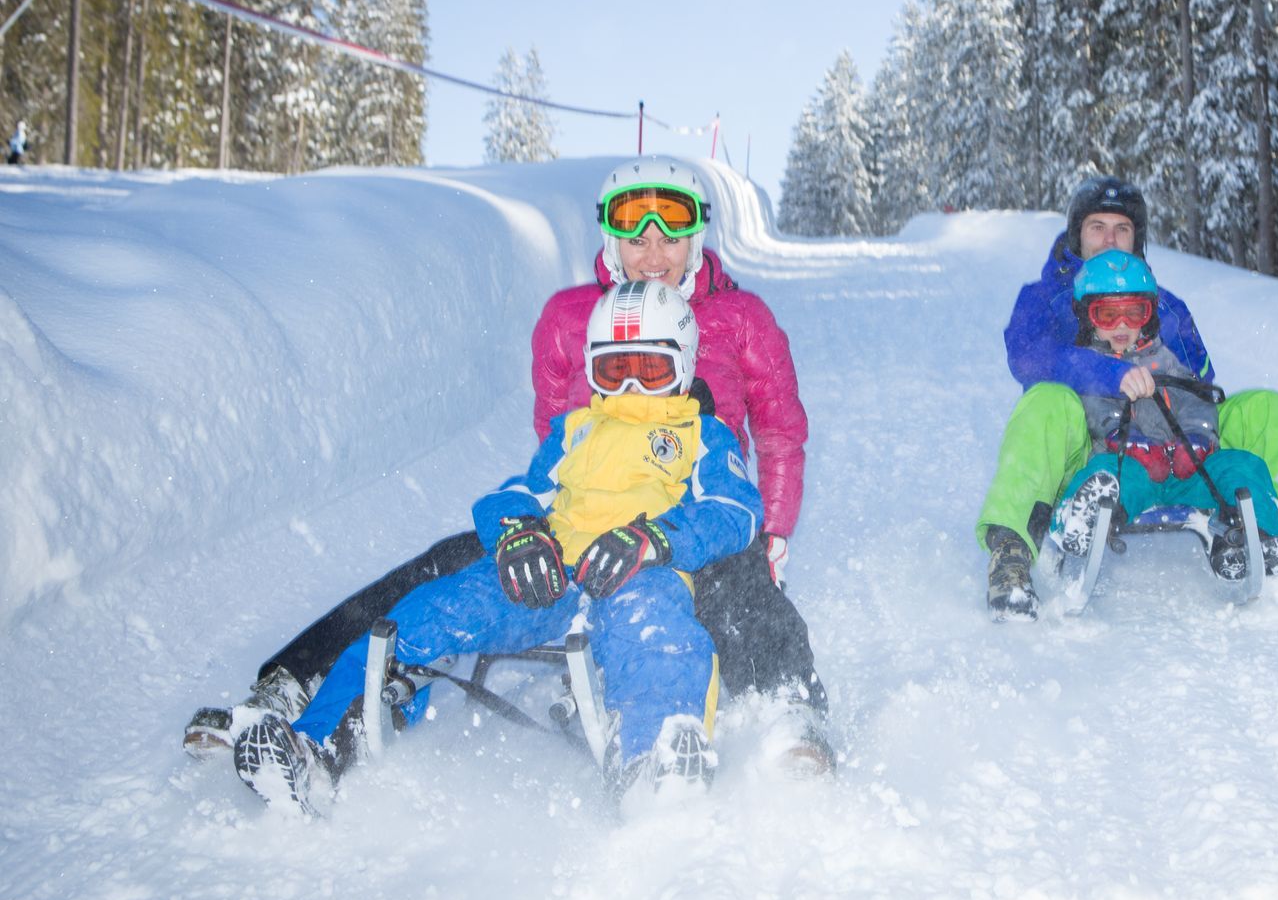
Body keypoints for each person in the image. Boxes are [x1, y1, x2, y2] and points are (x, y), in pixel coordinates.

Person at [186, 156, 829, 769]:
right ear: (610, 239)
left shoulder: (741, 319)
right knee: (445, 566)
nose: (652, 250)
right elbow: (554, 434)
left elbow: (778, 431)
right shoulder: (568, 318)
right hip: (583, 516)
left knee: (745, 586)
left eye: (671, 232)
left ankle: (794, 714)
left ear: (696, 237)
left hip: (689, 512)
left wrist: (771, 531)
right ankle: (298, 688)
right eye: (634, 233)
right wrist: (533, 527)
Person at [231, 281, 763, 813]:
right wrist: (519, 533)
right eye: (611, 370)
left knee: (658, 640)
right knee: (430, 612)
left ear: (685, 367)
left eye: (649, 372)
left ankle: (655, 763)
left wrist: (656, 540)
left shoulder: (702, 436)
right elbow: (514, 493)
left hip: (638, 577)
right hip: (548, 575)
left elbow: (736, 510)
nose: (628, 387)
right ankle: (316, 744)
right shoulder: (574, 432)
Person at [976, 174, 1278, 619]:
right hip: (1088, 445)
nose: (1110, 238)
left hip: (1175, 440)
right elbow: (1029, 359)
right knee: (1046, 403)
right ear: (1076, 234)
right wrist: (1109, 371)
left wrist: (1174, 390)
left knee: (1263, 406)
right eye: (1097, 226)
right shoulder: (1045, 297)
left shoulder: (1163, 303)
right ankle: (1011, 553)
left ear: (1137, 239)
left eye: (1122, 228)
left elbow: (1200, 379)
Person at [1048, 249, 1278, 583]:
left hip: (1185, 473)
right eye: (1108, 314)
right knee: (1107, 476)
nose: (1122, 326)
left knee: (1241, 465)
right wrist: (1134, 447)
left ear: (1150, 315)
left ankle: (1257, 538)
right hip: (1130, 469)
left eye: (1134, 312)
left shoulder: (1166, 360)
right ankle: (1082, 520)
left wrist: (1198, 442)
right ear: (1087, 317)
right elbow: (1095, 411)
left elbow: (1197, 402)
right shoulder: (1092, 369)